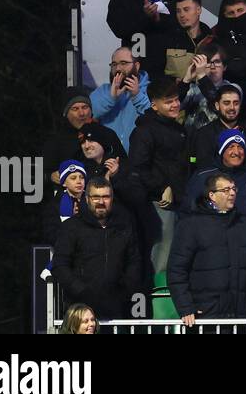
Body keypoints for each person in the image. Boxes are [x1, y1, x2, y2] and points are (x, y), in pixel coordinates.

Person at [168, 171, 246, 325]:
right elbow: (177, 270)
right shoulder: (190, 225)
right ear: (212, 195)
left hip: (241, 316)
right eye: (225, 190)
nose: (231, 193)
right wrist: (186, 307)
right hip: (205, 317)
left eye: (234, 189)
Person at [51, 177, 142, 320]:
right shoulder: (71, 227)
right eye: (96, 197)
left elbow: (134, 262)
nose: (101, 202)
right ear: (87, 199)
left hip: (116, 309)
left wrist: (124, 291)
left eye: (105, 197)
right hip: (79, 310)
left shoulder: (124, 226)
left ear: (112, 199)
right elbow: (60, 265)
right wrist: (80, 290)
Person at [128, 77, 190, 281]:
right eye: (168, 101)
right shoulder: (144, 131)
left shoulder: (177, 128)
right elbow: (137, 169)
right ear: (154, 105)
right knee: (161, 258)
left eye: (176, 100)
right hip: (159, 205)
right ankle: (158, 308)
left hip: (180, 202)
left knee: (178, 257)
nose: (174, 105)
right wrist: (162, 186)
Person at [183, 129, 246, 248]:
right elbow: (187, 213)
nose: (236, 152)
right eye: (231, 146)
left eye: (240, 147)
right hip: (210, 250)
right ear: (222, 150)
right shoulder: (203, 177)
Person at [88, 48, 151, 150]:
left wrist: (137, 96)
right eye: (114, 64)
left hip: (139, 158)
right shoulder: (103, 91)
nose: (118, 68)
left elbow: (156, 119)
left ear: (137, 66)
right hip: (109, 158)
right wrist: (111, 97)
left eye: (123, 63)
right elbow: (88, 114)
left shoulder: (150, 90)